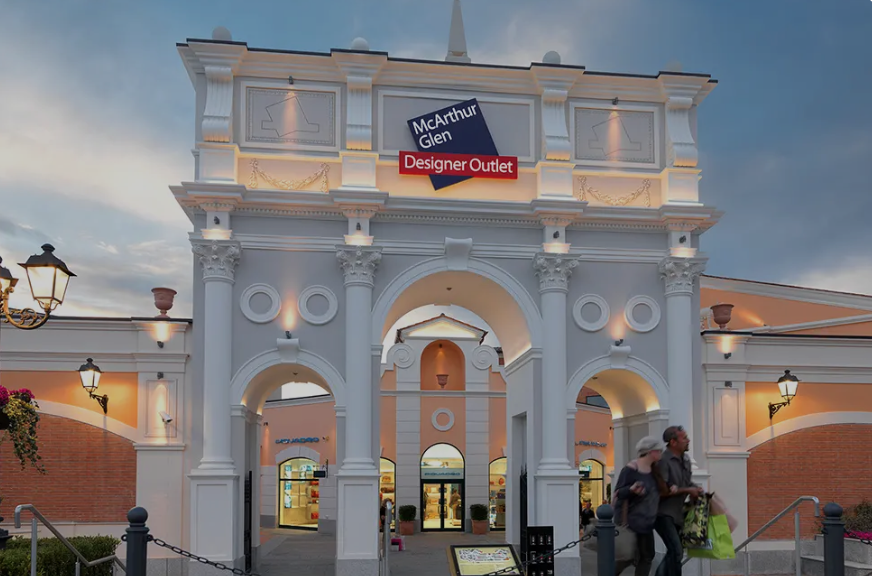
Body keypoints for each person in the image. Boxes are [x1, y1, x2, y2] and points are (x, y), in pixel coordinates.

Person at [655, 425, 705, 576]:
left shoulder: (686, 460)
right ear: (673, 442)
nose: (688, 440)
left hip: (678, 513)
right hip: (662, 514)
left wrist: (696, 489)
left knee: (675, 551)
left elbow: (686, 482)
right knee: (676, 551)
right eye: (684, 438)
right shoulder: (663, 461)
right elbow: (662, 491)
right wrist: (688, 490)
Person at [613, 436, 664, 576]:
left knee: (647, 556)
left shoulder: (655, 470)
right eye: (659, 450)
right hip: (631, 521)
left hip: (647, 521)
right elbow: (618, 493)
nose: (661, 453)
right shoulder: (630, 469)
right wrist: (631, 490)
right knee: (627, 557)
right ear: (651, 451)